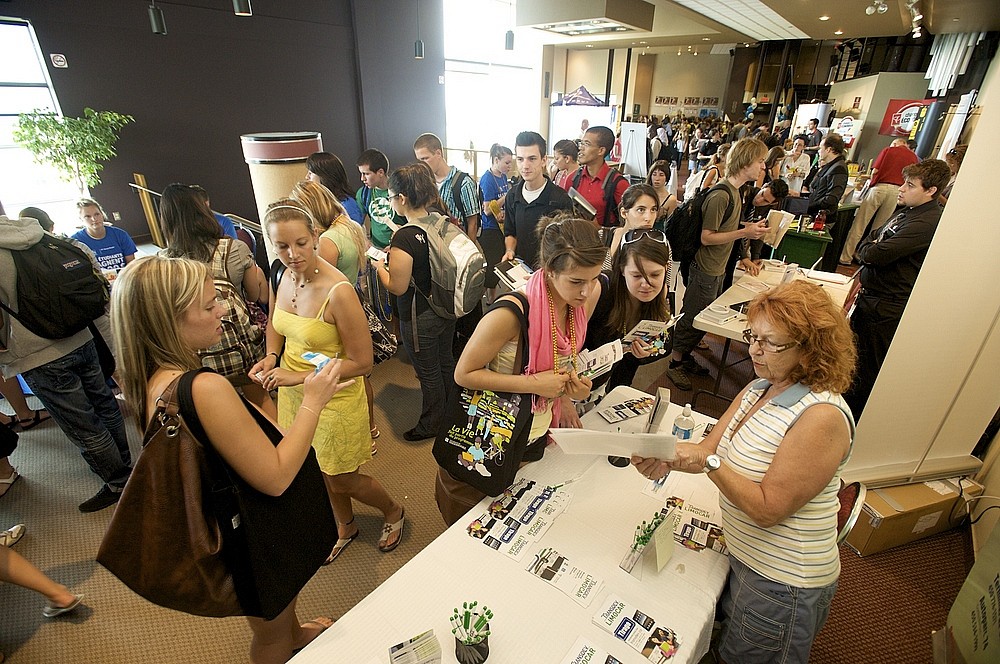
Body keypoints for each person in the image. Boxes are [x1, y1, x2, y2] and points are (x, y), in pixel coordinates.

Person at [113, 255, 349, 663]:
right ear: (169, 320)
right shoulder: (203, 388)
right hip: (249, 530)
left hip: (229, 515)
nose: (222, 310)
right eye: (209, 306)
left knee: (278, 608)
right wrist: (313, 401)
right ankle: (285, 640)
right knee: (270, 634)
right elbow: (276, 475)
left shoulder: (150, 379)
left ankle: (295, 634)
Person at [633, 280, 856, 663]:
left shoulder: (821, 416)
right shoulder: (760, 387)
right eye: (753, 336)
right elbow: (708, 449)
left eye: (770, 343)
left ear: (809, 349)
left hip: (782, 581)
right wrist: (664, 458)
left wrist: (709, 464)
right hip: (748, 557)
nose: (753, 349)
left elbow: (767, 508)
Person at [248, 201, 404, 561]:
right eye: (282, 246)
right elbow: (276, 323)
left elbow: (361, 363)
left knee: (342, 477)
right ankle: (345, 525)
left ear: (315, 236)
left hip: (335, 395)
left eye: (301, 243)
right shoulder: (280, 273)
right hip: (295, 393)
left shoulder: (338, 291)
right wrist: (271, 356)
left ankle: (393, 509)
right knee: (315, 469)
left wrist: (294, 376)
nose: (293, 254)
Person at [438, 217, 606, 525]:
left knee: (512, 512)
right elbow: (463, 374)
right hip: (496, 431)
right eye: (576, 281)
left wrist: (570, 391)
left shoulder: (575, 304)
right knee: (472, 516)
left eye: (594, 279)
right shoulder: (511, 313)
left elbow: (562, 360)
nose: (586, 291)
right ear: (550, 270)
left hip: (535, 430)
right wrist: (534, 384)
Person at [1, 213, 131, 513]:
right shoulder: (34, 232)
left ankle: (119, 482)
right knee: (104, 404)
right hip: (81, 333)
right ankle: (125, 464)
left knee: (82, 424)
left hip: (38, 351)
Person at [843, 159, 950, 419]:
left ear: (931, 190)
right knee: (853, 363)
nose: (901, 188)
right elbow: (870, 240)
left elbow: (877, 253)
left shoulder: (927, 222)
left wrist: (869, 250)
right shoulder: (908, 211)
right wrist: (869, 250)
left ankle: (849, 423)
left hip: (886, 308)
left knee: (865, 371)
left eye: (910, 185)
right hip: (871, 299)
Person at [158, 183, 272, 415]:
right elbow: (253, 296)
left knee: (211, 411)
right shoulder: (234, 249)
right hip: (239, 348)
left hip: (194, 354)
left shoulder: (164, 263)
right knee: (260, 399)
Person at [666, 138, 770, 392]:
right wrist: (745, 233)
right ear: (746, 162)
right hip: (705, 268)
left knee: (702, 315)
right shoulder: (722, 194)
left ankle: (684, 356)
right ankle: (674, 362)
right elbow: (707, 237)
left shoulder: (735, 192)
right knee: (693, 316)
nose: (763, 167)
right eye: (760, 161)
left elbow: (725, 227)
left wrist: (746, 235)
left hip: (716, 268)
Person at [369, 164, 457, 441]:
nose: (391, 202)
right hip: (447, 306)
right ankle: (452, 413)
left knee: (428, 373)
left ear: (402, 198)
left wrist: (379, 267)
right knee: (445, 363)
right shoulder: (439, 220)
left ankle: (431, 424)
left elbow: (397, 285)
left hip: (420, 315)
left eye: (391, 197)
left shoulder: (404, 236)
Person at [290, 180, 380, 445]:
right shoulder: (348, 225)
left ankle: (363, 433)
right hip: (352, 300)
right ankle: (370, 428)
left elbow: (317, 284)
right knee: (360, 376)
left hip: (334, 312)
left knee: (347, 374)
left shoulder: (328, 240)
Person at [584, 229, 672, 396]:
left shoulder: (661, 292)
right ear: (622, 269)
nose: (646, 284)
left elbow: (664, 341)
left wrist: (649, 349)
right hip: (571, 383)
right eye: (637, 275)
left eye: (655, 274)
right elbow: (566, 342)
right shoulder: (602, 288)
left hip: (607, 383)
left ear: (666, 268)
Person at [839, 138, 921, 265]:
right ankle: (867, 258)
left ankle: (845, 257)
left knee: (859, 225)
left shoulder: (888, 150)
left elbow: (875, 171)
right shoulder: (913, 157)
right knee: (879, 229)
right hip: (896, 192)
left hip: (879, 188)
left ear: (895, 144)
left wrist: (871, 184)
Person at [503, 131, 573, 269]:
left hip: (549, 272)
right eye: (520, 159)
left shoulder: (560, 199)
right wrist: (510, 250)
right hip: (521, 269)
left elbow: (566, 244)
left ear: (543, 160)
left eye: (532, 159)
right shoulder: (512, 196)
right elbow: (510, 232)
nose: (525, 166)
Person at [722, 179, 789, 292]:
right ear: (764, 186)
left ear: (772, 203)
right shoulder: (743, 194)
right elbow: (737, 228)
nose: (759, 200)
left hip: (737, 248)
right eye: (762, 194)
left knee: (727, 285)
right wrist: (744, 257)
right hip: (726, 244)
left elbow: (759, 233)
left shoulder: (767, 208)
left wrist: (755, 257)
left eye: (765, 201)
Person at [413, 133, 481, 240]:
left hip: (458, 243)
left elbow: (473, 223)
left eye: (425, 158)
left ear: (438, 153)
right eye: (419, 160)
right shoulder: (424, 183)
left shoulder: (464, 182)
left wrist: (469, 247)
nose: (422, 164)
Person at [561, 126, 629, 228]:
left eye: (587, 144)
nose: (581, 148)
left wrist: (599, 228)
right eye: (581, 143)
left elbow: (629, 223)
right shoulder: (573, 178)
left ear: (601, 151)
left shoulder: (618, 183)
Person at [479, 143, 513, 297]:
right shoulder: (487, 179)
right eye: (507, 162)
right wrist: (506, 196)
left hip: (501, 225)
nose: (509, 166)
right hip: (490, 229)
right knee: (493, 267)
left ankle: (491, 299)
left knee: (498, 264)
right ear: (496, 160)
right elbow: (487, 210)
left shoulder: (503, 176)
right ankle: (480, 299)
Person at [355, 148, 406, 251]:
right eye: (361, 174)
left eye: (366, 174)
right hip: (376, 249)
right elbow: (357, 222)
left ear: (380, 172)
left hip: (401, 246)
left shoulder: (400, 189)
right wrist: (365, 240)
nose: (362, 179)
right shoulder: (364, 193)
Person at [790, 132, 848, 219]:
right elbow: (818, 193)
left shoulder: (839, 168)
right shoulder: (831, 166)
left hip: (822, 217)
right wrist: (799, 195)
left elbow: (831, 199)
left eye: (821, 148)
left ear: (829, 150)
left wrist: (807, 205)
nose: (818, 151)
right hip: (814, 213)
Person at [71, 198, 137, 274]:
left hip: (123, 277)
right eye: (87, 216)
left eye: (97, 214)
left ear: (102, 214)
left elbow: (132, 264)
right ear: (81, 219)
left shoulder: (120, 235)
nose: (94, 219)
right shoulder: (76, 241)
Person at [602, 183, 659, 269]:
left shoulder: (660, 244)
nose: (648, 218)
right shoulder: (602, 237)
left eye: (653, 209)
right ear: (624, 213)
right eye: (641, 210)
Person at [306, 152, 365, 225]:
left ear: (324, 176)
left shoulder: (347, 205)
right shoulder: (321, 201)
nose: (307, 177)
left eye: (310, 173)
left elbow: (355, 230)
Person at [646, 161, 678, 228]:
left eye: (661, 175)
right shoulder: (644, 193)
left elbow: (671, 226)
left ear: (667, 177)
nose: (657, 178)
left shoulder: (670, 200)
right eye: (654, 174)